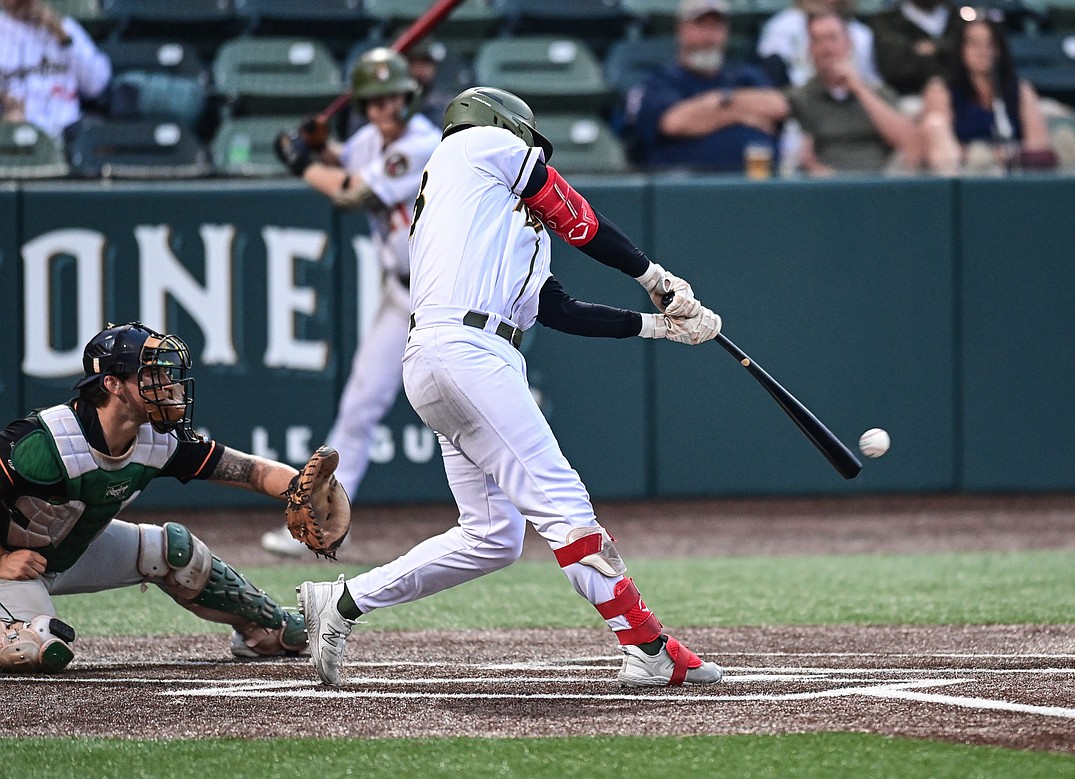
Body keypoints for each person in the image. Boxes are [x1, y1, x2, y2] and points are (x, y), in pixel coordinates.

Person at [297, 86, 724, 689]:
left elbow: (557, 308)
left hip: (447, 360)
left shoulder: (486, 219)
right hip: (467, 354)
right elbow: (578, 216)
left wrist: (659, 327)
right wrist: (654, 277)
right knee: (564, 505)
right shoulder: (476, 143)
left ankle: (341, 603)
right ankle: (645, 644)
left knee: (492, 538)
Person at [0, 322, 308, 673]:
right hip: (12, 570)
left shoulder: (157, 439)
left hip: (69, 553)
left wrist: (302, 489)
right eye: (152, 375)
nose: (170, 385)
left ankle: (267, 627)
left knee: (175, 552)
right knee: (33, 646)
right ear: (113, 384)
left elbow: (252, 471)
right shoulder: (46, 442)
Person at [266, 48, 441, 557]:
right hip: (400, 292)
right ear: (364, 106)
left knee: (467, 406)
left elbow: (352, 193)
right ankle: (319, 524)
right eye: (377, 99)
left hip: (440, 296)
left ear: (409, 97)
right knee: (360, 408)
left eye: (395, 96)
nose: (388, 107)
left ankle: (522, 513)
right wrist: (320, 147)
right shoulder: (369, 139)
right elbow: (345, 160)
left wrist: (300, 162)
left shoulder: (422, 143)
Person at [624, 0, 790, 172]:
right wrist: (737, 109)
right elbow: (675, 122)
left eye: (716, 27)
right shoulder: (660, 82)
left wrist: (715, 110)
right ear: (681, 29)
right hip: (684, 189)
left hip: (757, 186)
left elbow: (779, 105)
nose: (708, 37)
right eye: (701, 26)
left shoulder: (745, 77)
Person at [919, 8, 1060, 175]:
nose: (983, 51)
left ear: (999, 49)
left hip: (1015, 173)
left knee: (1062, 141)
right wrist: (983, 155)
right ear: (961, 48)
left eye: (990, 43)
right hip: (964, 173)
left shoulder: (1020, 89)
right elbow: (940, 144)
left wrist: (1005, 156)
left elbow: (1037, 145)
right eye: (974, 43)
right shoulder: (942, 90)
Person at [786, 10, 923, 175]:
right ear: (810, 49)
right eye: (818, 40)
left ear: (849, 42)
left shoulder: (878, 92)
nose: (827, 48)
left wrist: (858, 87)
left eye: (832, 38)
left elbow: (911, 144)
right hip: (825, 185)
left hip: (880, 183)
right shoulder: (802, 97)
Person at [0, 0, 110, 139]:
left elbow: (96, 86)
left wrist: (61, 34)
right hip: (17, 131)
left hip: (68, 130)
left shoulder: (66, 27)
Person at [756, 0, 879, 89]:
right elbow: (771, 78)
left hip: (852, 102)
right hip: (795, 103)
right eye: (816, 39)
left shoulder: (862, 34)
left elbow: (871, 80)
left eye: (832, 38)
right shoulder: (781, 26)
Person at [868, 0, 962, 97]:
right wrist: (942, 53)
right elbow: (895, 69)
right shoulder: (885, 21)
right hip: (904, 99)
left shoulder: (960, 18)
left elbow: (966, 64)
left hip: (960, 97)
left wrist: (931, 49)